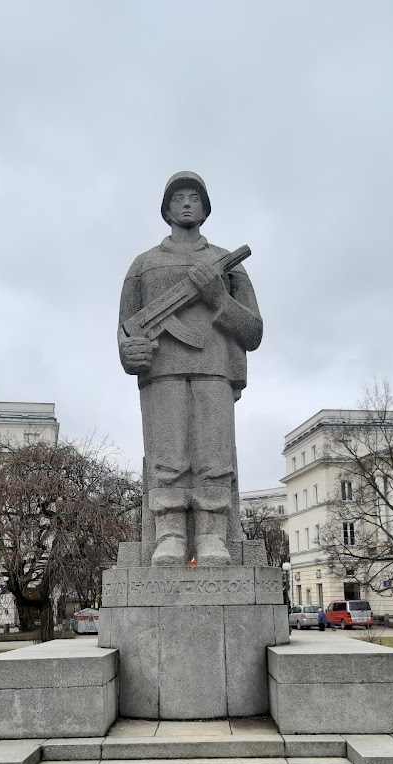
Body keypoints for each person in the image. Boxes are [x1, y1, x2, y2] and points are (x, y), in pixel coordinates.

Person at [118, 171, 263, 567]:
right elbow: (126, 328)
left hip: (215, 368)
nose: (186, 203)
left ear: (205, 209)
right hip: (162, 372)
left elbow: (253, 330)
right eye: (178, 197)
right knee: (168, 455)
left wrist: (218, 296)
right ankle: (170, 534)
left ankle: (213, 535)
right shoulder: (144, 265)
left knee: (212, 455)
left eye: (194, 198)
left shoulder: (225, 263)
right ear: (165, 209)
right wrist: (128, 353)